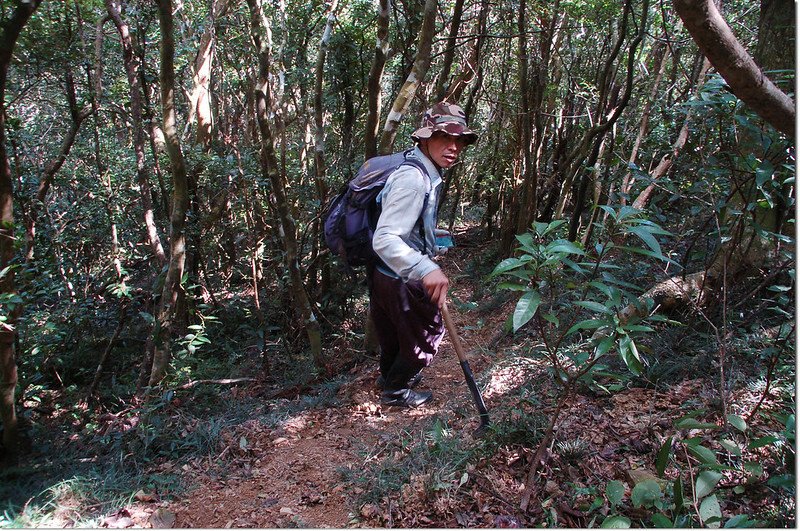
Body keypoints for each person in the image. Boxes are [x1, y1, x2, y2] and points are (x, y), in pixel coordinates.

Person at [369, 102, 477, 408]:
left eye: (460, 140)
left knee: (393, 333)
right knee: (426, 336)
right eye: (445, 137)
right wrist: (425, 267)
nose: (454, 147)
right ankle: (396, 392)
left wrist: (433, 239)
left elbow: (403, 223)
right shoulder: (414, 179)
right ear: (426, 137)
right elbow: (386, 237)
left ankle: (389, 377)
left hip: (384, 273)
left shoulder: (418, 167)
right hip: (403, 276)